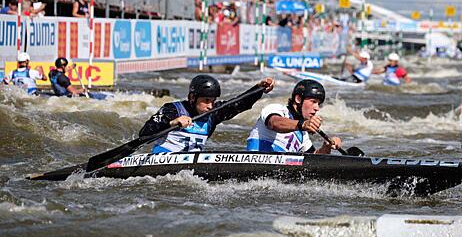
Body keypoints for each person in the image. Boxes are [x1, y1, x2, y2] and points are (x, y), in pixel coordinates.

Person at [139, 74, 275, 153]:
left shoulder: (213, 113)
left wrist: (259, 88)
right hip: (163, 163)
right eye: (206, 100)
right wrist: (172, 123)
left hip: (189, 171)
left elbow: (239, 104)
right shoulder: (172, 109)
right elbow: (144, 133)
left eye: (213, 101)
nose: (210, 106)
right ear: (192, 98)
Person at [246, 79, 342, 154]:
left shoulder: (303, 135)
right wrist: (302, 125)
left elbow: (314, 160)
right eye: (313, 102)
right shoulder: (276, 109)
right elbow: (274, 123)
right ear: (298, 99)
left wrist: (326, 147)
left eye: (319, 104)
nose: (317, 108)